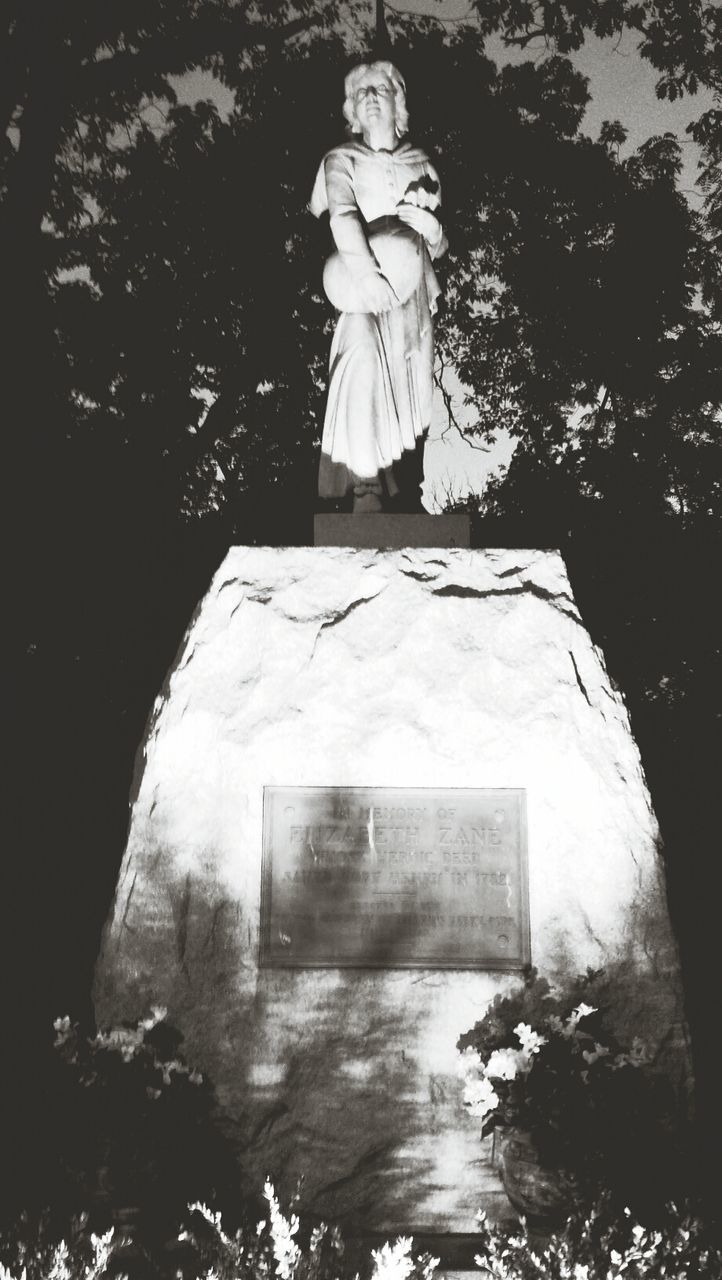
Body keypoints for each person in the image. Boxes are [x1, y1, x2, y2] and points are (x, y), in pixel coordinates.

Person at [310, 61, 448, 512]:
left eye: (380, 89)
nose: (370, 96)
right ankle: (364, 489)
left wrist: (433, 232)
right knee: (362, 364)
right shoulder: (340, 160)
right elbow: (342, 216)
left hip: (412, 296)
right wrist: (367, 277)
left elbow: (441, 245)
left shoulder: (422, 163)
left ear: (397, 101)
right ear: (352, 107)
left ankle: (406, 492)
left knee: (412, 389)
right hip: (359, 283)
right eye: (361, 91)